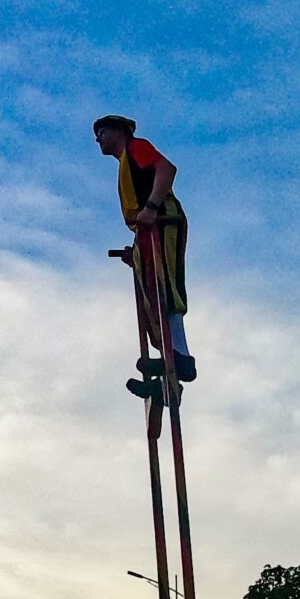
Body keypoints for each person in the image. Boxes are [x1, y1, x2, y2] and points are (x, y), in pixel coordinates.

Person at [90, 115, 194, 393]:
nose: (98, 139)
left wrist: (151, 206)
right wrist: (135, 251)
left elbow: (166, 169)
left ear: (118, 132)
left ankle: (180, 356)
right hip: (147, 230)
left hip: (162, 220)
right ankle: (166, 378)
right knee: (150, 295)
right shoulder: (126, 163)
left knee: (165, 286)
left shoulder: (136, 148)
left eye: (102, 132)